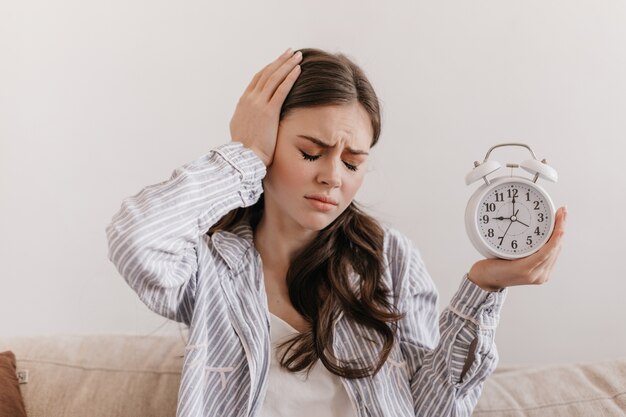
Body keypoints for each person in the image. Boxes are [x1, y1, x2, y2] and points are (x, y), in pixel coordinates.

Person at [106, 47, 566, 417]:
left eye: (352, 163)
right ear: (269, 146)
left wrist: (483, 289)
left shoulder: (390, 260)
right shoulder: (208, 268)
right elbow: (136, 240)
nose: (333, 177)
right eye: (310, 153)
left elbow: (435, 411)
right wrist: (243, 153)